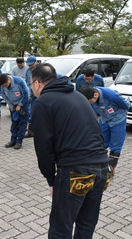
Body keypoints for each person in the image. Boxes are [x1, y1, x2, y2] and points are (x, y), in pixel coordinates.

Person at [30, 63, 110, 238]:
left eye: (31, 85)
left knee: (61, 228)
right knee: (86, 223)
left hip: (76, 172)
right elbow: (97, 130)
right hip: (102, 169)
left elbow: (44, 149)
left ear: (37, 83)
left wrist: (51, 180)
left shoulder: (42, 102)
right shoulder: (78, 96)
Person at [80, 86, 132, 172]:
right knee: (101, 142)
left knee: (115, 145)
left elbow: (126, 105)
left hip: (117, 120)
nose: (90, 103)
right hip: (105, 119)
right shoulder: (89, 93)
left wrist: (128, 109)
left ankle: (111, 167)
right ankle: (99, 164)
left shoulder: (111, 95)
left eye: (90, 101)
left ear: (95, 95)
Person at [0, 74, 30, 149]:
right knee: (14, 123)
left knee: (22, 123)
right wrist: (10, 104)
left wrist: (20, 105)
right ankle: (13, 140)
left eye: (6, 85)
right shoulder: (2, 85)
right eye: (3, 86)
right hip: (13, 104)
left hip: (23, 104)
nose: (5, 87)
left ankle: (19, 141)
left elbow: (26, 94)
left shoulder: (19, 81)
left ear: (9, 79)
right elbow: (3, 94)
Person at [24, 55, 40, 138]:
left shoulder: (41, 70)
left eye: (32, 64)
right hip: (31, 94)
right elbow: (27, 83)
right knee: (31, 112)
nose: (30, 66)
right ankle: (30, 131)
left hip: (39, 94)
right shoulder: (28, 71)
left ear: (36, 62)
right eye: (29, 65)